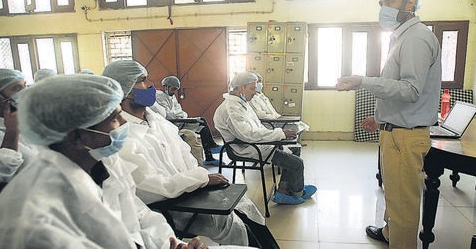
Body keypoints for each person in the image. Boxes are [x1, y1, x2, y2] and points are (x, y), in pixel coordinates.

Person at [0, 74, 214, 249]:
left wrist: (171, 244)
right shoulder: (34, 220)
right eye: (113, 118)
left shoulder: (104, 162)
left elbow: (138, 214)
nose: (124, 124)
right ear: (77, 135)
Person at [103, 60, 278, 248]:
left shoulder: (157, 121)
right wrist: (200, 179)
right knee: (231, 223)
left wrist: (200, 179)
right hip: (174, 205)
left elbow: (186, 154)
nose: (152, 86)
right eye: (143, 81)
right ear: (123, 91)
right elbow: (151, 187)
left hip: (193, 189)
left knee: (245, 208)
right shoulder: (122, 135)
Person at [336, 0, 441, 248]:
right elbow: (401, 90)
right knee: (394, 194)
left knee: (403, 204)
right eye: (382, 3)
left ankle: (400, 241)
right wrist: (381, 118)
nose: (385, 9)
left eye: (391, 2)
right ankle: (388, 232)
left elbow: (410, 90)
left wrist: (364, 80)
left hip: (405, 137)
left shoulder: (416, 39)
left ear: (411, 3)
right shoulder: (402, 36)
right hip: (396, 131)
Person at [213, 71, 317, 205]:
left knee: (294, 149)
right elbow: (248, 135)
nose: (255, 92)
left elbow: (257, 128)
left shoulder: (241, 103)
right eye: (252, 88)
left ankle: (284, 191)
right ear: (240, 88)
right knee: (297, 163)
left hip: (256, 143)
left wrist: (278, 135)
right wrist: (279, 134)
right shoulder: (231, 108)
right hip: (247, 148)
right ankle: (298, 192)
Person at [0, 69, 39, 206]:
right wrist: (12, 131)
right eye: (16, 88)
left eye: (24, 86)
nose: (25, 92)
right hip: (10, 207)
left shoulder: (27, 119)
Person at [155, 75, 221, 166]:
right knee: (200, 123)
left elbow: (180, 111)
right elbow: (168, 114)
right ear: (166, 86)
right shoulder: (159, 97)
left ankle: (210, 153)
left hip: (179, 120)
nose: (174, 92)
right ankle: (210, 149)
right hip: (172, 123)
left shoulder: (171, 96)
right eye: (173, 89)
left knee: (201, 121)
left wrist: (180, 115)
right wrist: (179, 115)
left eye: (176, 90)